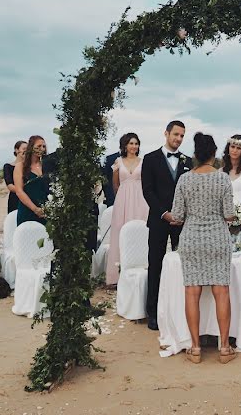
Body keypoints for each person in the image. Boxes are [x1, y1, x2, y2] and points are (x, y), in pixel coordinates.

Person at [171, 132, 236, 364]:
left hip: (191, 239)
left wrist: (167, 216)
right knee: (222, 292)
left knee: (192, 292)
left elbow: (178, 216)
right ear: (214, 153)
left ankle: (196, 348)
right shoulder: (222, 179)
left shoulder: (185, 180)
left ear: (196, 154)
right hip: (218, 238)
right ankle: (225, 348)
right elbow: (229, 215)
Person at [141, 120, 190, 331]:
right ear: (166, 133)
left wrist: (182, 214)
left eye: (182, 136)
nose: (178, 139)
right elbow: (148, 190)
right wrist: (165, 214)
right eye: (176, 134)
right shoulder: (150, 159)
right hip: (159, 220)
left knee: (182, 265)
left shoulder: (187, 160)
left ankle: (179, 310)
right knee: (156, 264)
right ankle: (153, 312)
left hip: (182, 222)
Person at [106, 133, 149, 285]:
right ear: (125, 145)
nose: (134, 146)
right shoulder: (118, 162)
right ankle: (116, 275)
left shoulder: (144, 162)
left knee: (140, 232)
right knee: (120, 233)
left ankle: (141, 270)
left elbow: (146, 182)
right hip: (122, 201)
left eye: (136, 143)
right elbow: (115, 184)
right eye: (131, 143)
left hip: (140, 200)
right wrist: (121, 199)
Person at [14, 135, 50, 227]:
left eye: (44, 146)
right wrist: (35, 209)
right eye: (38, 146)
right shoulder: (20, 166)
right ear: (31, 148)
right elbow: (19, 191)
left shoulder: (47, 165)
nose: (42, 149)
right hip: (28, 210)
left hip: (46, 211)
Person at [3, 140, 27, 214]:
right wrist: (23, 192)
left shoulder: (30, 167)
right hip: (15, 199)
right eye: (24, 149)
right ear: (16, 150)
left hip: (30, 199)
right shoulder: (8, 166)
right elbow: (10, 186)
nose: (26, 151)